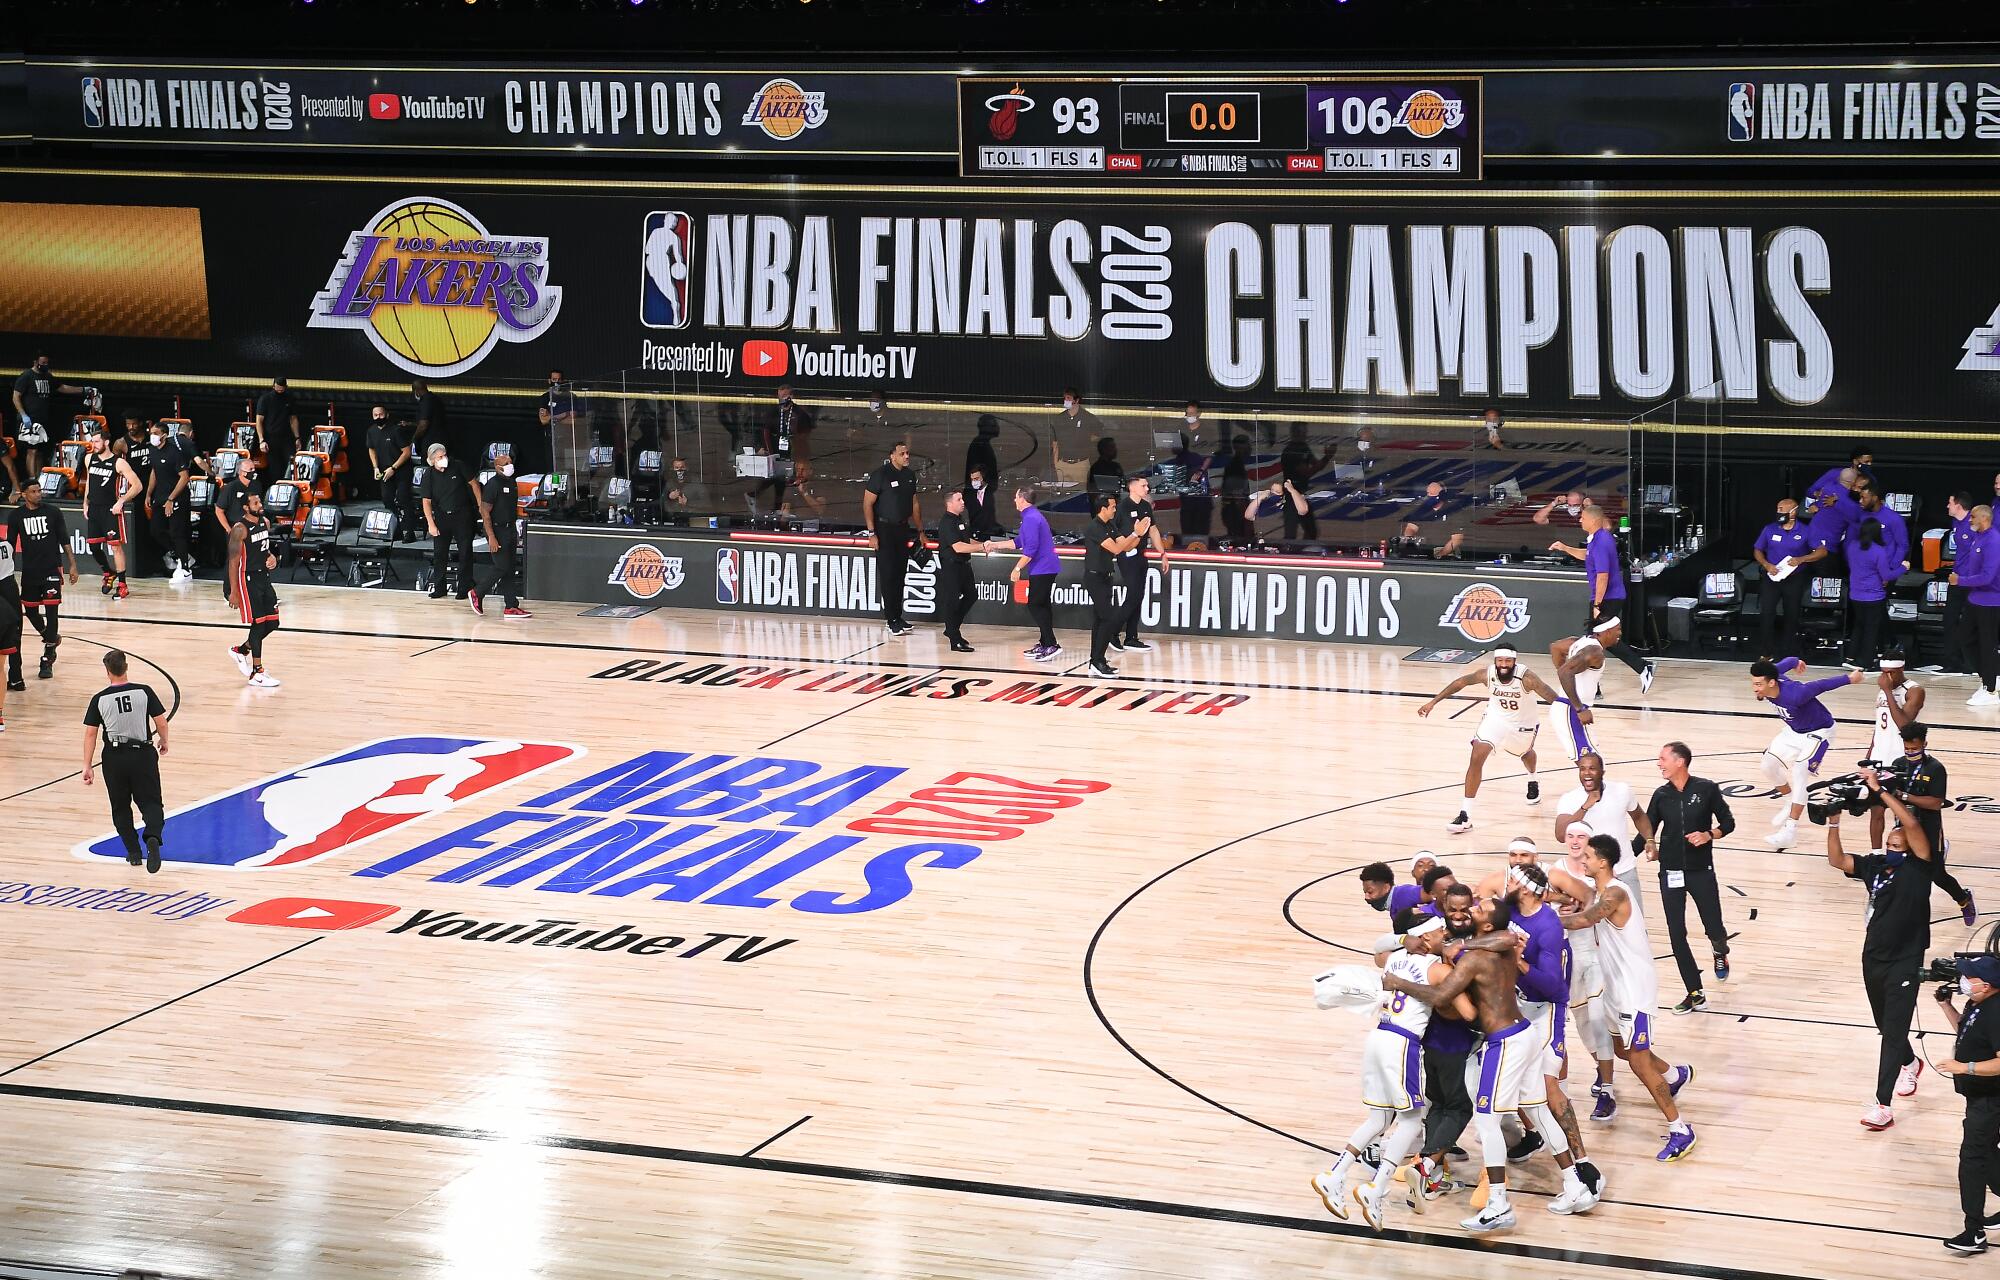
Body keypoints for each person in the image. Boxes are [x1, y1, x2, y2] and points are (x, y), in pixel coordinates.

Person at [1382, 894, 1599, 1233]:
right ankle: (1576, 1187)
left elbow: (1441, 996)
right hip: (1524, 1033)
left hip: (1505, 1041)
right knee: (1538, 1111)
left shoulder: (1474, 958)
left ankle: (1498, 1205)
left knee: (1486, 1119)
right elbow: (1508, 936)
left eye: (1478, 909)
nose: (1471, 909)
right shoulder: (1501, 946)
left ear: (1485, 924)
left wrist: (1399, 983)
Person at [1313, 914, 1471, 1229]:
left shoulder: (1395, 959)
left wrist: (1401, 940)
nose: (1446, 935)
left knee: (1379, 1119)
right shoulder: (1438, 970)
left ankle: (1335, 1174)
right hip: (1402, 1044)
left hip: (1378, 1036)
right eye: (1441, 932)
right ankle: (1377, 1187)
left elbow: (1378, 948)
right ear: (1427, 938)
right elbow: (1468, 1012)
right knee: (1413, 1119)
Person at [1556, 834, 1698, 1162]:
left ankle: (1680, 1129)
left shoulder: (1616, 893)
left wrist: (1542, 920)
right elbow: (1584, 904)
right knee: (1621, 1048)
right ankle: (1675, 1076)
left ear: (1603, 862)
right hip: (1616, 987)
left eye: (1589, 855)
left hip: (1634, 989)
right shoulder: (1603, 891)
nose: (1584, 859)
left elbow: (1586, 919)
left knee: (1637, 1058)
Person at [1823, 769, 1934, 1132]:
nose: (1893, 847)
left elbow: (1912, 826)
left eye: (1898, 845)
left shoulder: (1920, 866)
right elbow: (1838, 861)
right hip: (1873, 956)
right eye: (1889, 844)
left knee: (1891, 1031)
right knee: (1884, 1024)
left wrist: (1881, 793)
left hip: (1906, 958)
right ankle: (1909, 1062)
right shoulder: (1876, 866)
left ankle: (1882, 1104)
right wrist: (1834, 824)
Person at [1418, 646, 1559, 833]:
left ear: (1514, 662)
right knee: (1476, 756)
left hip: (1522, 723)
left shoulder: (1527, 678)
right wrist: (1433, 702)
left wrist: (1575, 714)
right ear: (1495, 661)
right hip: (1496, 719)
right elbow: (1461, 682)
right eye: (1500, 660)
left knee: (1525, 753)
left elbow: (1552, 697)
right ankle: (1465, 816)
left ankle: (1533, 779)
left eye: (1507, 661)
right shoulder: (1487, 674)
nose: (1503, 664)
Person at [1645, 742, 1737, 1014]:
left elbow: (1728, 823)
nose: (1658, 763)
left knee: (1714, 926)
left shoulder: (1706, 788)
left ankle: (1720, 950)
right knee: (1676, 933)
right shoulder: (1661, 795)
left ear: (1680, 761)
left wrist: (1709, 835)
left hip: (1700, 871)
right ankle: (1694, 991)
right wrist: (1624, 855)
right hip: (1671, 871)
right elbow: (1646, 831)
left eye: (1662, 759)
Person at [1752, 656, 1865, 849]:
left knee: (1800, 770)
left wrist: (1850, 678)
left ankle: (1790, 831)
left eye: (1758, 684)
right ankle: (1790, 800)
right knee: (1767, 766)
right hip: (1793, 732)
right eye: (1753, 683)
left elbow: (1821, 685)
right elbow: (1785, 663)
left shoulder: (1796, 694)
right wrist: (1796, 661)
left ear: (1771, 683)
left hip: (1819, 732)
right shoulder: (1771, 674)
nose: (1754, 688)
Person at [1870, 719, 1975, 922]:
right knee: (1897, 868)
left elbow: (1936, 803)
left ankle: (1963, 899)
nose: (1911, 752)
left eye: (1915, 748)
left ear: (1925, 744)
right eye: (1907, 748)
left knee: (1937, 875)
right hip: (1903, 827)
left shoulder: (1935, 768)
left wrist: (1905, 796)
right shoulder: (1898, 765)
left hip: (1928, 827)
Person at [80, 649, 170, 872]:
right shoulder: (144, 691)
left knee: (120, 806)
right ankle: (152, 837)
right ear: (126, 667)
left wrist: (87, 765)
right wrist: (164, 741)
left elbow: (90, 734)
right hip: (143, 754)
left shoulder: (99, 699)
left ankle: (133, 852)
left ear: (108, 672)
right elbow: (161, 722)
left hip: (114, 758)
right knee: (151, 802)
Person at [1935, 953, 2000, 1255]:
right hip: (1978, 1096)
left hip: (1991, 1099)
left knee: (1972, 1160)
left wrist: (1966, 1068)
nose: (1963, 980)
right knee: (1986, 1151)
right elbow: (1964, 1029)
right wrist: (1945, 1005)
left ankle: (1974, 1231)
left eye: (1968, 977)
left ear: (1985, 985)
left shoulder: (1997, 1013)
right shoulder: (1978, 1003)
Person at [1551, 506, 1653, 691]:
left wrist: (1597, 604)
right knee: (1597, 640)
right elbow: (1587, 556)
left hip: (1608, 597)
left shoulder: (1601, 541)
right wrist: (1565, 548)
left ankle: (1642, 667)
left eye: (1582, 517)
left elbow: (1603, 576)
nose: (1579, 520)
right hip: (1604, 597)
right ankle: (1635, 670)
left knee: (1595, 640)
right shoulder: (1596, 539)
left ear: (1593, 520)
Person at [1553, 753, 1652, 903]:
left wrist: (1649, 839)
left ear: (1602, 772)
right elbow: (1561, 835)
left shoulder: (1622, 790)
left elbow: (1639, 816)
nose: (1587, 773)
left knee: (1635, 921)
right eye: (1582, 769)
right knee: (1597, 923)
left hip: (1625, 869)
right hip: (1591, 875)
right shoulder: (1569, 799)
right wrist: (1585, 806)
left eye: (1592, 768)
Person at [6, 481, 77, 685]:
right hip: (30, 571)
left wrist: (72, 565)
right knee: (30, 611)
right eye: (34, 492)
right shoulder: (16, 516)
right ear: (23, 494)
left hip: (52, 569)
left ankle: (47, 657)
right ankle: (49, 635)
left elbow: (65, 540)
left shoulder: (53, 512)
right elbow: (10, 546)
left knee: (52, 611)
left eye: (40, 491)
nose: (39, 494)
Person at [1753, 497, 1825, 659]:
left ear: (1793, 512)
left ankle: (1788, 652)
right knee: (1767, 613)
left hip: (1794, 578)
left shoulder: (1806, 530)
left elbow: (1822, 551)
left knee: (1791, 614)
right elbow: (1758, 550)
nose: (1779, 512)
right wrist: (1766, 564)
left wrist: (1802, 559)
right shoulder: (1770, 529)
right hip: (1771, 577)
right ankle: (1766, 652)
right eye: (1778, 509)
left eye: (1782, 509)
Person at [863, 441, 922, 637]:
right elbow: (867, 504)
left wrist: (920, 530)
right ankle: (891, 620)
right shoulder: (881, 475)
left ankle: (898, 616)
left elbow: (914, 503)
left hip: (902, 529)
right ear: (892, 456)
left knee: (900, 574)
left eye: (908, 453)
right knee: (888, 575)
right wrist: (872, 533)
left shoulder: (909, 475)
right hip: (884, 528)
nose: (907, 456)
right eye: (902, 453)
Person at [1083, 491, 1143, 679]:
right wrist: (1134, 532)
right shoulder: (1095, 527)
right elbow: (1117, 549)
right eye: (1113, 507)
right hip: (1095, 578)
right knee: (1108, 618)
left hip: (1107, 577)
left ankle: (1096, 661)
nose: (1115, 510)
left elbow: (1126, 546)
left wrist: (1138, 534)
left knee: (1100, 620)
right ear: (1103, 509)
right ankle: (1098, 660)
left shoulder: (1109, 525)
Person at [226, 491, 283, 688]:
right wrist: (233, 592)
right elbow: (233, 563)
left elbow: (264, 548)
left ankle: (241, 650)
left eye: (259, 501)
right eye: (255, 502)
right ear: (245, 507)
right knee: (258, 624)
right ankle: (256, 672)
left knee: (273, 622)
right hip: (247, 579)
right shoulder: (239, 529)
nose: (260, 504)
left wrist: (272, 557)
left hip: (263, 577)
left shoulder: (264, 522)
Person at [469, 446, 530, 621]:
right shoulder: (492, 485)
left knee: (509, 568)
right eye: (506, 463)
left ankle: (511, 606)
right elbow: (485, 511)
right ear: (497, 467)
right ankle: (477, 592)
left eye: (511, 462)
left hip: (510, 528)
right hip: (497, 529)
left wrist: (516, 531)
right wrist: (491, 537)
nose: (510, 465)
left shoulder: (512, 482)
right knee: (501, 566)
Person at [11, 351, 85, 495]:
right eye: (43, 363)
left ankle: (39, 480)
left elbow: (61, 387)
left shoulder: (47, 376)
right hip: (29, 421)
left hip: (43, 421)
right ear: (35, 362)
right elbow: (15, 397)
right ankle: (32, 481)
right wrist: (24, 415)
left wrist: (82, 390)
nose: (45, 365)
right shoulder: (26, 376)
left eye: (47, 363)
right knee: (31, 450)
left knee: (39, 452)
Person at [81, 426, 142, 600]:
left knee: (115, 546)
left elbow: (137, 485)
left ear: (106, 442)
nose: (93, 444)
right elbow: (89, 483)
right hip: (94, 508)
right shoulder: (88, 459)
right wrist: (85, 503)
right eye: (92, 441)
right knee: (93, 546)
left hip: (110, 509)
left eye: (97, 441)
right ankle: (109, 573)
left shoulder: (119, 462)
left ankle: (123, 585)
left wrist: (121, 501)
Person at [1949, 504, 2000, 706]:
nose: (1969, 521)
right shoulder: (1979, 537)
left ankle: (1991, 689)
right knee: (1965, 639)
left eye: (1973, 518)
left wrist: (1960, 581)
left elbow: (1988, 577)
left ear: (1984, 519)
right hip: (1975, 599)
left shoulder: (1994, 541)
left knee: (1988, 644)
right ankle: (1990, 676)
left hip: (1991, 601)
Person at [1547, 619, 1616, 762]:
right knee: (1590, 763)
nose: (1620, 633)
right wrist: (1579, 709)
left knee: (1594, 762)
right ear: (1606, 631)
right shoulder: (1594, 651)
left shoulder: (1578, 642)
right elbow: (1565, 672)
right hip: (1572, 710)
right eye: (1618, 629)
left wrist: (1563, 669)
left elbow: (1555, 647)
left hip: (1568, 707)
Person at [1113, 474, 1167, 655]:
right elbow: (1117, 536)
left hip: (1141, 555)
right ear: (1132, 487)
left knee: (1139, 595)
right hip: (1127, 555)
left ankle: (1131, 637)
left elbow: (1153, 529)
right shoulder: (1122, 508)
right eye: (1144, 486)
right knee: (1134, 594)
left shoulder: (1145, 506)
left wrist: (1163, 554)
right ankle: (1112, 632)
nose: (1147, 489)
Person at [1925, 490, 1977, 674]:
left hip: (1971, 582)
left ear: (1959, 505)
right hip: (1956, 579)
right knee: (1949, 620)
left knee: (1971, 623)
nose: (1947, 506)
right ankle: (1951, 662)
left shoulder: (1975, 523)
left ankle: (1971, 664)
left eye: (1950, 502)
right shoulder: (1955, 522)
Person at [417, 441, 476, 601]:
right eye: (440, 457)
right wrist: (431, 523)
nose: (444, 458)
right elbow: (426, 501)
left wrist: (480, 506)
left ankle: (464, 588)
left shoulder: (458, 466)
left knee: (465, 552)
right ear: (432, 460)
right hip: (442, 516)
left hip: (462, 514)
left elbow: (474, 484)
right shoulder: (428, 475)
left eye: (444, 455)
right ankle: (440, 587)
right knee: (440, 554)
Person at [1010, 486, 1060, 661]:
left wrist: (1017, 569)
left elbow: (1030, 549)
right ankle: (1045, 641)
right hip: (1044, 567)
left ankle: (1051, 643)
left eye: (1016, 497)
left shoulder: (1031, 518)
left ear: (1023, 499)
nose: (1014, 500)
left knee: (1035, 604)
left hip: (1043, 567)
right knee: (1042, 604)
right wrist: (995, 545)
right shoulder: (1031, 517)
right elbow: (1019, 542)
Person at [1844, 517, 1901, 670]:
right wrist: (1903, 568)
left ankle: (1850, 657)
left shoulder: (1852, 546)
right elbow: (1887, 575)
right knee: (1871, 629)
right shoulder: (1878, 551)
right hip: (1873, 596)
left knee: (1859, 625)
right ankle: (1866, 662)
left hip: (1855, 594)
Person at [935, 489, 985, 653]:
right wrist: (981, 547)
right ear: (950, 504)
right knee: (953, 601)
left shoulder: (959, 520)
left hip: (964, 564)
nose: (963, 502)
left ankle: (951, 628)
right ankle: (954, 639)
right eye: (959, 500)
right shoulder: (947, 522)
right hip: (952, 565)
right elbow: (958, 547)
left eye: (962, 499)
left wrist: (982, 545)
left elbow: (965, 539)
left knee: (972, 595)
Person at [148, 418, 195, 582]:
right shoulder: (152, 451)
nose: (152, 436)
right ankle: (180, 554)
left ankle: (186, 569)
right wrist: (148, 493)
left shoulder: (174, 452)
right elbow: (154, 472)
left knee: (177, 533)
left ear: (164, 435)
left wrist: (171, 499)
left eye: (155, 433)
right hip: (159, 497)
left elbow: (184, 477)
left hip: (177, 498)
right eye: (151, 433)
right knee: (155, 530)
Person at [115, 413, 158, 579]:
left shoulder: (151, 439)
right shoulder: (121, 443)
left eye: (133, 424)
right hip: (136, 489)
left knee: (154, 528)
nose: (131, 427)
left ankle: (158, 561)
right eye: (128, 424)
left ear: (141, 423)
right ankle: (142, 565)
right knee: (140, 528)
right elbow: (115, 468)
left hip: (154, 486)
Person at [760, 383, 813, 513]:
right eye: (779, 396)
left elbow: (806, 433)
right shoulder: (774, 412)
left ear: (791, 396)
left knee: (790, 480)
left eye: (784, 396)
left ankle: (789, 509)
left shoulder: (799, 413)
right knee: (778, 478)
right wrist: (766, 449)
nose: (781, 399)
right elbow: (765, 430)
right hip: (778, 451)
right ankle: (777, 507)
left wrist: (800, 450)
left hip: (794, 451)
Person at [1277, 423, 1334, 540]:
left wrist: (1327, 456)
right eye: (1301, 432)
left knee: (1310, 530)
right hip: (1291, 496)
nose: (1304, 434)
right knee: (1291, 533)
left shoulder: (1303, 447)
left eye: (1304, 432)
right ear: (1295, 433)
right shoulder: (1291, 451)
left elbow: (1315, 466)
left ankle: (1302, 551)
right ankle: (1290, 554)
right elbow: (1307, 472)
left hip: (1301, 494)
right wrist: (1327, 457)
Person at [367, 405, 415, 539]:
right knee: (387, 499)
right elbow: (371, 449)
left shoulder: (396, 430)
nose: (378, 417)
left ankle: (410, 532)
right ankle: (396, 530)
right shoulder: (371, 431)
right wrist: (375, 467)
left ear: (387, 415)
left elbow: (407, 452)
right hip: (384, 471)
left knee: (403, 498)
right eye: (375, 415)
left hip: (401, 470)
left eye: (380, 414)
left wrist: (393, 468)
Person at [1172, 425, 1214, 546]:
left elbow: (1196, 480)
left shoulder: (1189, 459)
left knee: (1196, 537)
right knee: (1192, 536)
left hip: (1197, 506)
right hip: (1192, 505)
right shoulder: (1188, 458)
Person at [254, 376, 298, 483]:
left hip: (287, 438)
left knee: (291, 464)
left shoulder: (289, 398)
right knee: (275, 469)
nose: (279, 390)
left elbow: (293, 419)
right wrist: (262, 440)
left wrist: (297, 437)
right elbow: (259, 421)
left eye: (281, 389)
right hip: (271, 438)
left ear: (286, 387)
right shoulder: (265, 399)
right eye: (277, 388)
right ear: (273, 386)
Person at [1218, 435, 1253, 544]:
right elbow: (1237, 495)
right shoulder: (1235, 466)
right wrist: (1246, 518)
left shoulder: (1237, 465)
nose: (1250, 448)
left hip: (1235, 510)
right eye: (1247, 445)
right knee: (1240, 541)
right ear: (1239, 448)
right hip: (1235, 512)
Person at [962, 465, 1002, 540]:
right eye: (972, 479)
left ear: (984, 477)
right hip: (975, 535)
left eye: (976, 479)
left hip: (994, 535)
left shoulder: (994, 492)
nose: (974, 482)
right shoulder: (969, 496)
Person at [964, 412, 999, 491]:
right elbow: (976, 469)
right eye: (994, 425)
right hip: (980, 491)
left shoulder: (984, 444)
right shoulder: (979, 444)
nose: (997, 428)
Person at [411, 379, 446, 459]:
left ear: (416, 391)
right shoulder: (436, 399)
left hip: (431, 442)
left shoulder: (426, 401)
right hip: (441, 440)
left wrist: (414, 439)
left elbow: (423, 424)